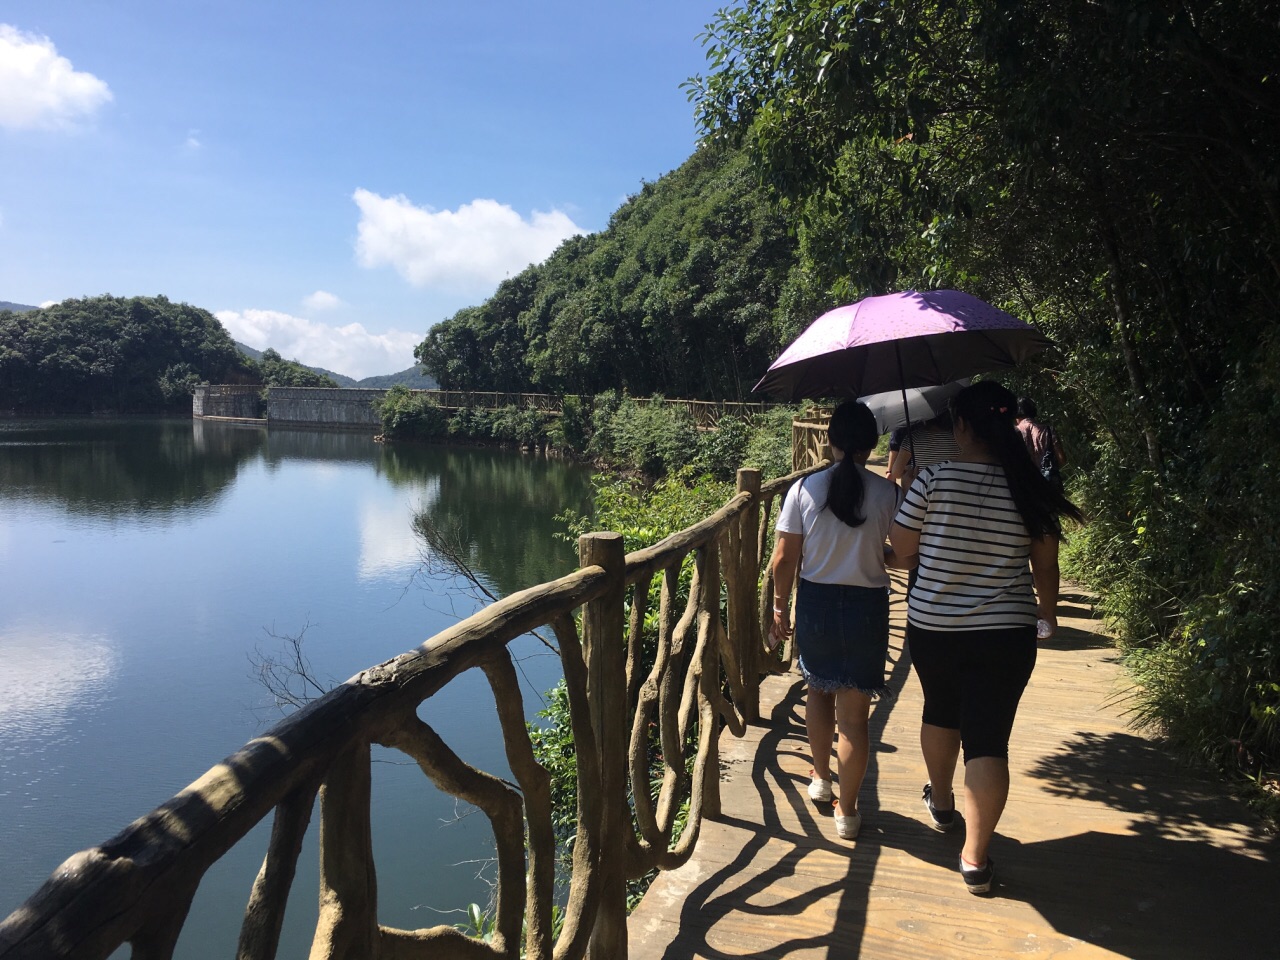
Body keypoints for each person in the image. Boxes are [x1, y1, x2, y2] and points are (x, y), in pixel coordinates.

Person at [888, 380, 1084, 894]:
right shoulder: (1029, 486)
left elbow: (901, 547)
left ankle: (944, 802)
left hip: (934, 627)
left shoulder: (932, 479)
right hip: (1006, 632)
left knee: (940, 709)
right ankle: (974, 860)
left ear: (962, 427)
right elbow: (1045, 563)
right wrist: (1049, 614)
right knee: (988, 738)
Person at [768, 401, 905, 841]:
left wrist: (778, 607)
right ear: (872, 445)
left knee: (819, 692)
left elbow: (784, 558)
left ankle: (821, 779)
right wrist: (871, 554)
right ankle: (847, 812)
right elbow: (903, 553)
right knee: (855, 718)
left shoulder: (804, 490)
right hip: (867, 608)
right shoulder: (888, 494)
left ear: (830, 440)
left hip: (817, 604)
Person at [887, 413, 961, 489]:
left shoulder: (913, 438)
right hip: (950, 489)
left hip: (921, 491)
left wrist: (909, 469)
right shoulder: (957, 439)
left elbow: (896, 473)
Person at [1015, 397, 1066, 490]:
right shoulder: (1049, 430)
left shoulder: (1013, 433)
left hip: (1028, 487)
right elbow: (1062, 459)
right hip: (1050, 484)